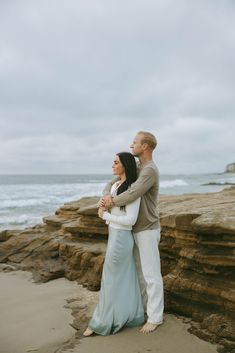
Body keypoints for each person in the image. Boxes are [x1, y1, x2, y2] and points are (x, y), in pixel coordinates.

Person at [100, 131, 164, 334]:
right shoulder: (137, 167)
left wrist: (111, 202)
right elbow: (112, 182)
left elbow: (134, 193)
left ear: (145, 146)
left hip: (147, 228)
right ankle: (146, 311)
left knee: (151, 274)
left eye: (135, 142)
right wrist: (105, 197)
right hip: (132, 229)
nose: (131, 145)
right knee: (139, 274)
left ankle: (156, 317)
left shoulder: (149, 170)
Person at [83, 152, 144, 337]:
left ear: (125, 165)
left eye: (116, 162)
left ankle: (101, 322)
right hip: (114, 235)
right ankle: (131, 315)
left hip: (122, 238)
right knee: (123, 278)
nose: (112, 165)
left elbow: (130, 220)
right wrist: (102, 204)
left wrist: (105, 216)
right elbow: (107, 202)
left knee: (110, 279)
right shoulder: (116, 185)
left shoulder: (132, 189)